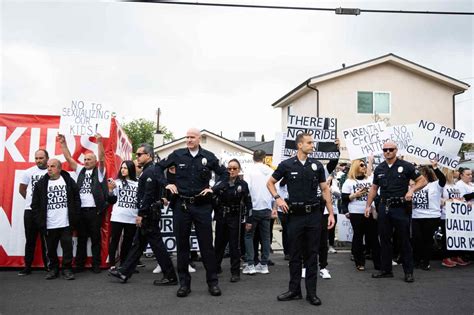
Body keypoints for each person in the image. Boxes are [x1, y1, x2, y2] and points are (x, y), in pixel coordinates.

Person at [156, 128, 228, 297]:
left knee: (206, 246)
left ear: (199, 139)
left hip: (202, 206)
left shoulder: (209, 157)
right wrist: (166, 183)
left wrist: (214, 189)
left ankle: (213, 283)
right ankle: (184, 285)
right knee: (182, 246)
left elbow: (224, 174)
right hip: (182, 205)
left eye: (192, 137)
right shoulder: (177, 154)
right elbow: (157, 168)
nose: (188, 139)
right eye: (187, 137)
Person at [267, 132, 335, 306]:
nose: (313, 145)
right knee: (295, 255)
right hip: (295, 216)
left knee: (312, 255)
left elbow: (325, 189)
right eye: (310, 143)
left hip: (313, 215)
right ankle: (294, 290)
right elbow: (270, 183)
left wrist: (331, 213)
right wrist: (278, 199)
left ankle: (311, 293)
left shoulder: (317, 165)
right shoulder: (287, 165)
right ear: (299, 145)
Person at [109, 144, 177, 285]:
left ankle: (170, 276)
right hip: (150, 212)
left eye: (140, 154)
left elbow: (148, 195)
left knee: (156, 246)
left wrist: (141, 213)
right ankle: (124, 272)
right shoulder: (151, 170)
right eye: (137, 154)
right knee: (138, 245)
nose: (137, 157)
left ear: (149, 156)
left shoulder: (149, 171)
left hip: (148, 214)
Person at [365, 141, 427, 283]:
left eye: (390, 149)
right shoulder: (379, 168)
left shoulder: (405, 166)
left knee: (404, 240)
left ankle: (408, 272)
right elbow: (374, 189)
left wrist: (411, 190)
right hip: (384, 207)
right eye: (385, 150)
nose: (388, 152)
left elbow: (422, 181)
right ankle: (386, 270)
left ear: (396, 150)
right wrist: (368, 206)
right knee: (384, 240)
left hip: (400, 207)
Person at [58, 134, 108, 273]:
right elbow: (68, 158)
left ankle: (96, 265)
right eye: (85, 159)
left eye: (89, 159)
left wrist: (99, 142)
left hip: (94, 211)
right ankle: (80, 264)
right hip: (80, 210)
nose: (86, 161)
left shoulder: (100, 172)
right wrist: (63, 143)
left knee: (95, 239)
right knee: (81, 239)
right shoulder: (80, 170)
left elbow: (103, 158)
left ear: (95, 161)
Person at [31, 159, 80, 280]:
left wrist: (75, 216)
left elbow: (77, 198)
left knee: (67, 247)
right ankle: (53, 269)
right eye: (48, 166)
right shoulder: (40, 184)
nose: (49, 169)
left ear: (59, 168)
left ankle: (67, 269)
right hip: (49, 223)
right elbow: (35, 205)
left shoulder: (68, 181)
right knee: (51, 249)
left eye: (52, 166)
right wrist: (40, 221)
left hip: (66, 223)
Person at [213, 158, 252, 282]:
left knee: (235, 246)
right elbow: (212, 194)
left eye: (235, 168)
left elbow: (248, 203)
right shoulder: (220, 182)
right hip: (221, 216)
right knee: (219, 244)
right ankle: (215, 268)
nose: (232, 171)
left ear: (239, 170)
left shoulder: (243, 184)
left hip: (235, 217)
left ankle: (235, 272)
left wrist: (249, 220)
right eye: (229, 168)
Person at [341, 158, 380, 272]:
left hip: (369, 211)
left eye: (365, 165)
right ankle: (359, 262)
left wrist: (370, 161)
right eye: (362, 165)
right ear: (356, 167)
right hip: (356, 213)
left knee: (373, 237)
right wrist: (355, 195)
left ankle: (378, 263)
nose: (364, 167)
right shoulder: (349, 182)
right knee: (358, 236)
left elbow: (376, 194)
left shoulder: (370, 179)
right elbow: (344, 198)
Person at [18, 149, 49, 276]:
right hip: (30, 211)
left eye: (41, 158)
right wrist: (32, 201)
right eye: (36, 158)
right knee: (30, 240)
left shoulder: (51, 171)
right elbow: (22, 190)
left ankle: (49, 266)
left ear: (47, 158)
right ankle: (27, 266)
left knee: (46, 240)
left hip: (46, 211)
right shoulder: (28, 172)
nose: (38, 160)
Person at [242, 150, 273, 275]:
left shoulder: (249, 170)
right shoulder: (270, 171)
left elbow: (247, 188)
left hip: (253, 207)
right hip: (266, 207)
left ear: (253, 157)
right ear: (264, 158)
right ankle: (264, 264)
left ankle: (250, 264)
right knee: (265, 237)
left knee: (249, 236)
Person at [411, 161, 445, 271]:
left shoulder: (435, 185)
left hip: (431, 217)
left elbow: (443, 179)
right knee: (417, 239)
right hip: (416, 216)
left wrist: (435, 167)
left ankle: (425, 262)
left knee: (427, 240)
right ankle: (416, 260)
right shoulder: (413, 186)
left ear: (426, 175)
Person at [106, 160, 138, 268]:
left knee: (127, 242)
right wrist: (110, 190)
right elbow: (111, 201)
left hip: (132, 217)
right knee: (114, 240)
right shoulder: (117, 182)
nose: (123, 170)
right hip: (117, 217)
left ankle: (124, 265)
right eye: (122, 168)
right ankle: (112, 265)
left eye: (125, 168)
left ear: (131, 169)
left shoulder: (138, 183)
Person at [440, 169, 467, 267]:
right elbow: (439, 199)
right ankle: (446, 258)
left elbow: (461, 198)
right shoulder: (443, 186)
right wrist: (448, 200)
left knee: (456, 236)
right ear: (449, 172)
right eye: (455, 170)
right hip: (446, 215)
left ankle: (455, 256)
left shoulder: (455, 185)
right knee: (447, 237)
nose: (458, 172)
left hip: (457, 215)